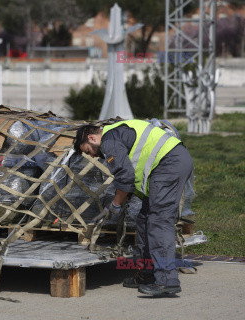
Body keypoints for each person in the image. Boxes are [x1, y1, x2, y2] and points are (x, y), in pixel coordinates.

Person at [74, 119, 194, 296]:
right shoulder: (116, 134)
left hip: (169, 164)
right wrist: (117, 201)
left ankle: (167, 280)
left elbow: (125, 176)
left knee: (158, 222)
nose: (92, 156)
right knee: (145, 220)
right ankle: (149, 274)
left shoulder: (109, 140)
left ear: (92, 138)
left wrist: (115, 205)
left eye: (88, 151)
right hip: (167, 164)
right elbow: (131, 174)